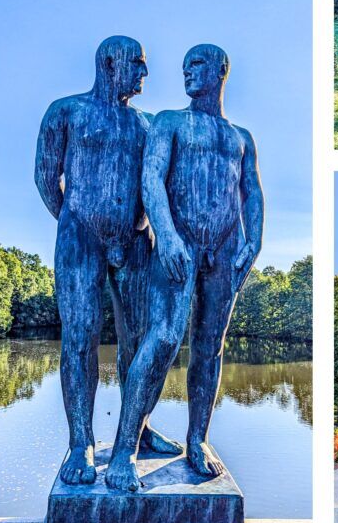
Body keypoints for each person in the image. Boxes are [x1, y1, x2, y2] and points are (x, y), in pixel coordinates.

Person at [105, 45, 263, 492]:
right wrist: (167, 235)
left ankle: (197, 440)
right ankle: (124, 452)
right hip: (180, 243)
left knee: (210, 347)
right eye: (184, 68)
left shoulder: (241, 138)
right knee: (163, 339)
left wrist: (254, 241)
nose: (187, 74)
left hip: (226, 247)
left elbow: (251, 193)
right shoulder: (169, 122)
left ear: (220, 70)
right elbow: (151, 179)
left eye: (195, 66)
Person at [34, 36, 181, 485]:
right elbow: (45, 177)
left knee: (142, 340)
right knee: (80, 336)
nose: (144, 73)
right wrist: (79, 224)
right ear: (110, 63)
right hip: (80, 238)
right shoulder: (67, 112)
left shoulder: (146, 124)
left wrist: (132, 227)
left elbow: (160, 182)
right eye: (137, 63)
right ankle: (81, 443)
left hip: (137, 240)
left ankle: (138, 427)